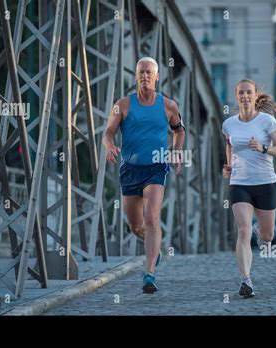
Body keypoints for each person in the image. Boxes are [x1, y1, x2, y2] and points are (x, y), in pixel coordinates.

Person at [103, 57, 185, 293]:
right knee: (136, 226)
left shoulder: (169, 105)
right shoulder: (123, 105)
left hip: (157, 168)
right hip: (130, 169)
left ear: (157, 77)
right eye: (141, 73)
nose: (145, 76)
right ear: (136, 76)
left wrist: (176, 153)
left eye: (149, 73)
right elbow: (108, 133)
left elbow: (180, 131)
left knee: (151, 218)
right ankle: (154, 248)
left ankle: (149, 273)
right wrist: (110, 146)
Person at [222, 79, 276, 298]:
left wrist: (263, 148)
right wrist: (229, 166)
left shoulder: (267, 121)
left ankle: (263, 234)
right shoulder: (229, 124)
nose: (245, 96)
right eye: (241, 93)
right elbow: (230, 145)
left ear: (255, 95)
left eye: (249, 92)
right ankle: (246, 280)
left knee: (267, 235)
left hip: (266, 182)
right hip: (240, 183)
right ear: (236, 96)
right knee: (243, 230)